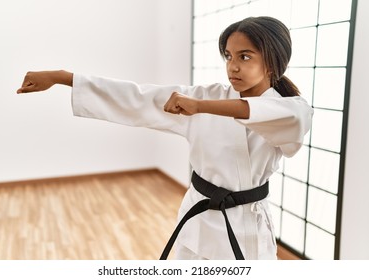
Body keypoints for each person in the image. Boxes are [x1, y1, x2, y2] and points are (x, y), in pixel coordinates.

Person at [16, 16, 313, 260]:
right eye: (229, 56)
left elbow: (258, 112)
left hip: (244, 223)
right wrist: (63, 77)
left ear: (272, 63)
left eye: (245, 57)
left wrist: (199, 108)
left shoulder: (292, 109)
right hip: (198, 215)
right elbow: (139, 96)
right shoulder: (205, 95)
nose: (232, 66)